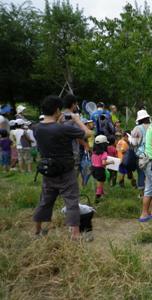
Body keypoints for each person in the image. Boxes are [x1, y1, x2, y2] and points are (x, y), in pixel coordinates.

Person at [32, 95, 92, 240]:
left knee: (45, 201)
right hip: (66, 171)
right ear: (58, 110)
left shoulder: (37, 128)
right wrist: (77, 120)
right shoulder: (63, 129)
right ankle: (75, 235)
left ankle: (37, 231)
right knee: (71, 201)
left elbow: (50, 129)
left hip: (48, 171)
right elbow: (89, 133)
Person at [131, 109, 151, 197]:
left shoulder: (137, 128)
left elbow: (134, 143)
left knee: (141, 173)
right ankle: (150, 193)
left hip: (141, 153)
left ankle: (142, 194)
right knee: (150, 173)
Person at [92, 135, 113, 201]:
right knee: (100, 183)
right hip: (100, 170)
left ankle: (102, 192)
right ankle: (98, 196)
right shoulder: (104, 153)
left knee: (99, 182)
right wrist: (110, 162)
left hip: (93, 169)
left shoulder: (94, 153)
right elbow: (103, 163)